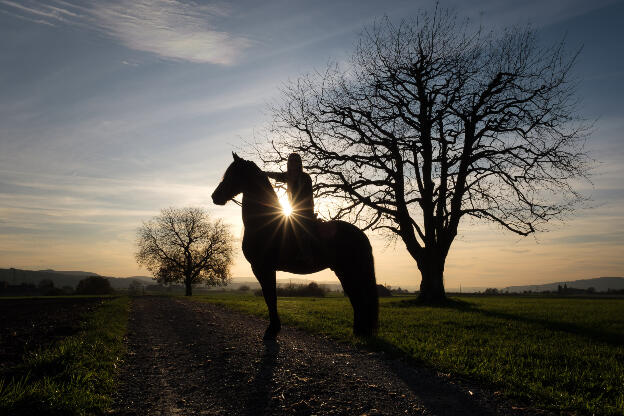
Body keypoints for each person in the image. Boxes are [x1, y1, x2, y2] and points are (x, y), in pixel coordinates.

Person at [265, 153, 316, 264]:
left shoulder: (305, 177)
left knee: (299, 227)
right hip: (293, 210)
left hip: (305, 210)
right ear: (288, 163)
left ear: (299, 164)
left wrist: (297, 207)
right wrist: (264, 173)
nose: (293, 163)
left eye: (295, 161)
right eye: (291, 161)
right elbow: (276, 175)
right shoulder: (288, 176)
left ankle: (307, 254)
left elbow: (306, 196)